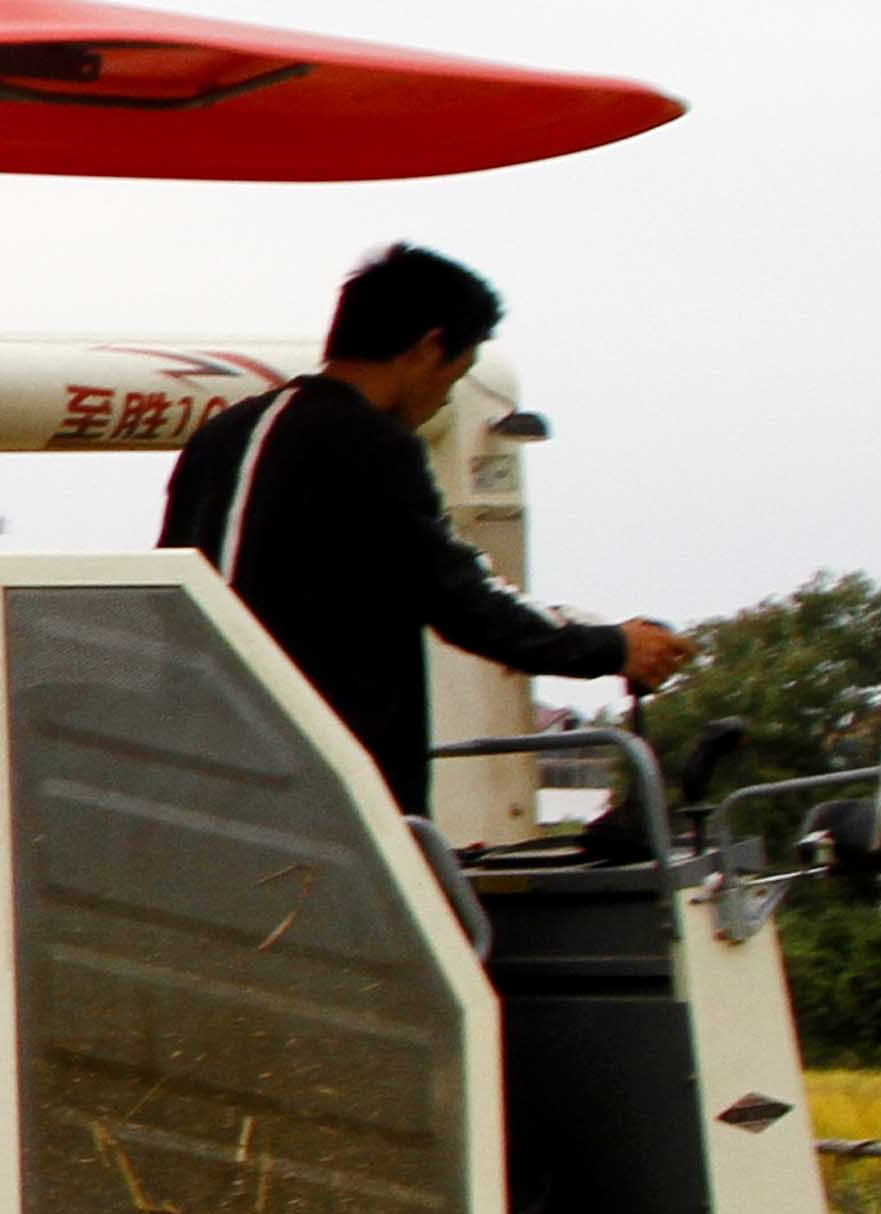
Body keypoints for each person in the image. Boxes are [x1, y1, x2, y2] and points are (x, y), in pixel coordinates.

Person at [156, 243, 687, 807]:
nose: (444, 400)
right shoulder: (371, 444)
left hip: (205, 772)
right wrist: (611, 648)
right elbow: (464, 602)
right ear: (431, 347)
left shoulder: (219, 438)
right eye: (456, 376)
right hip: (326, 796)